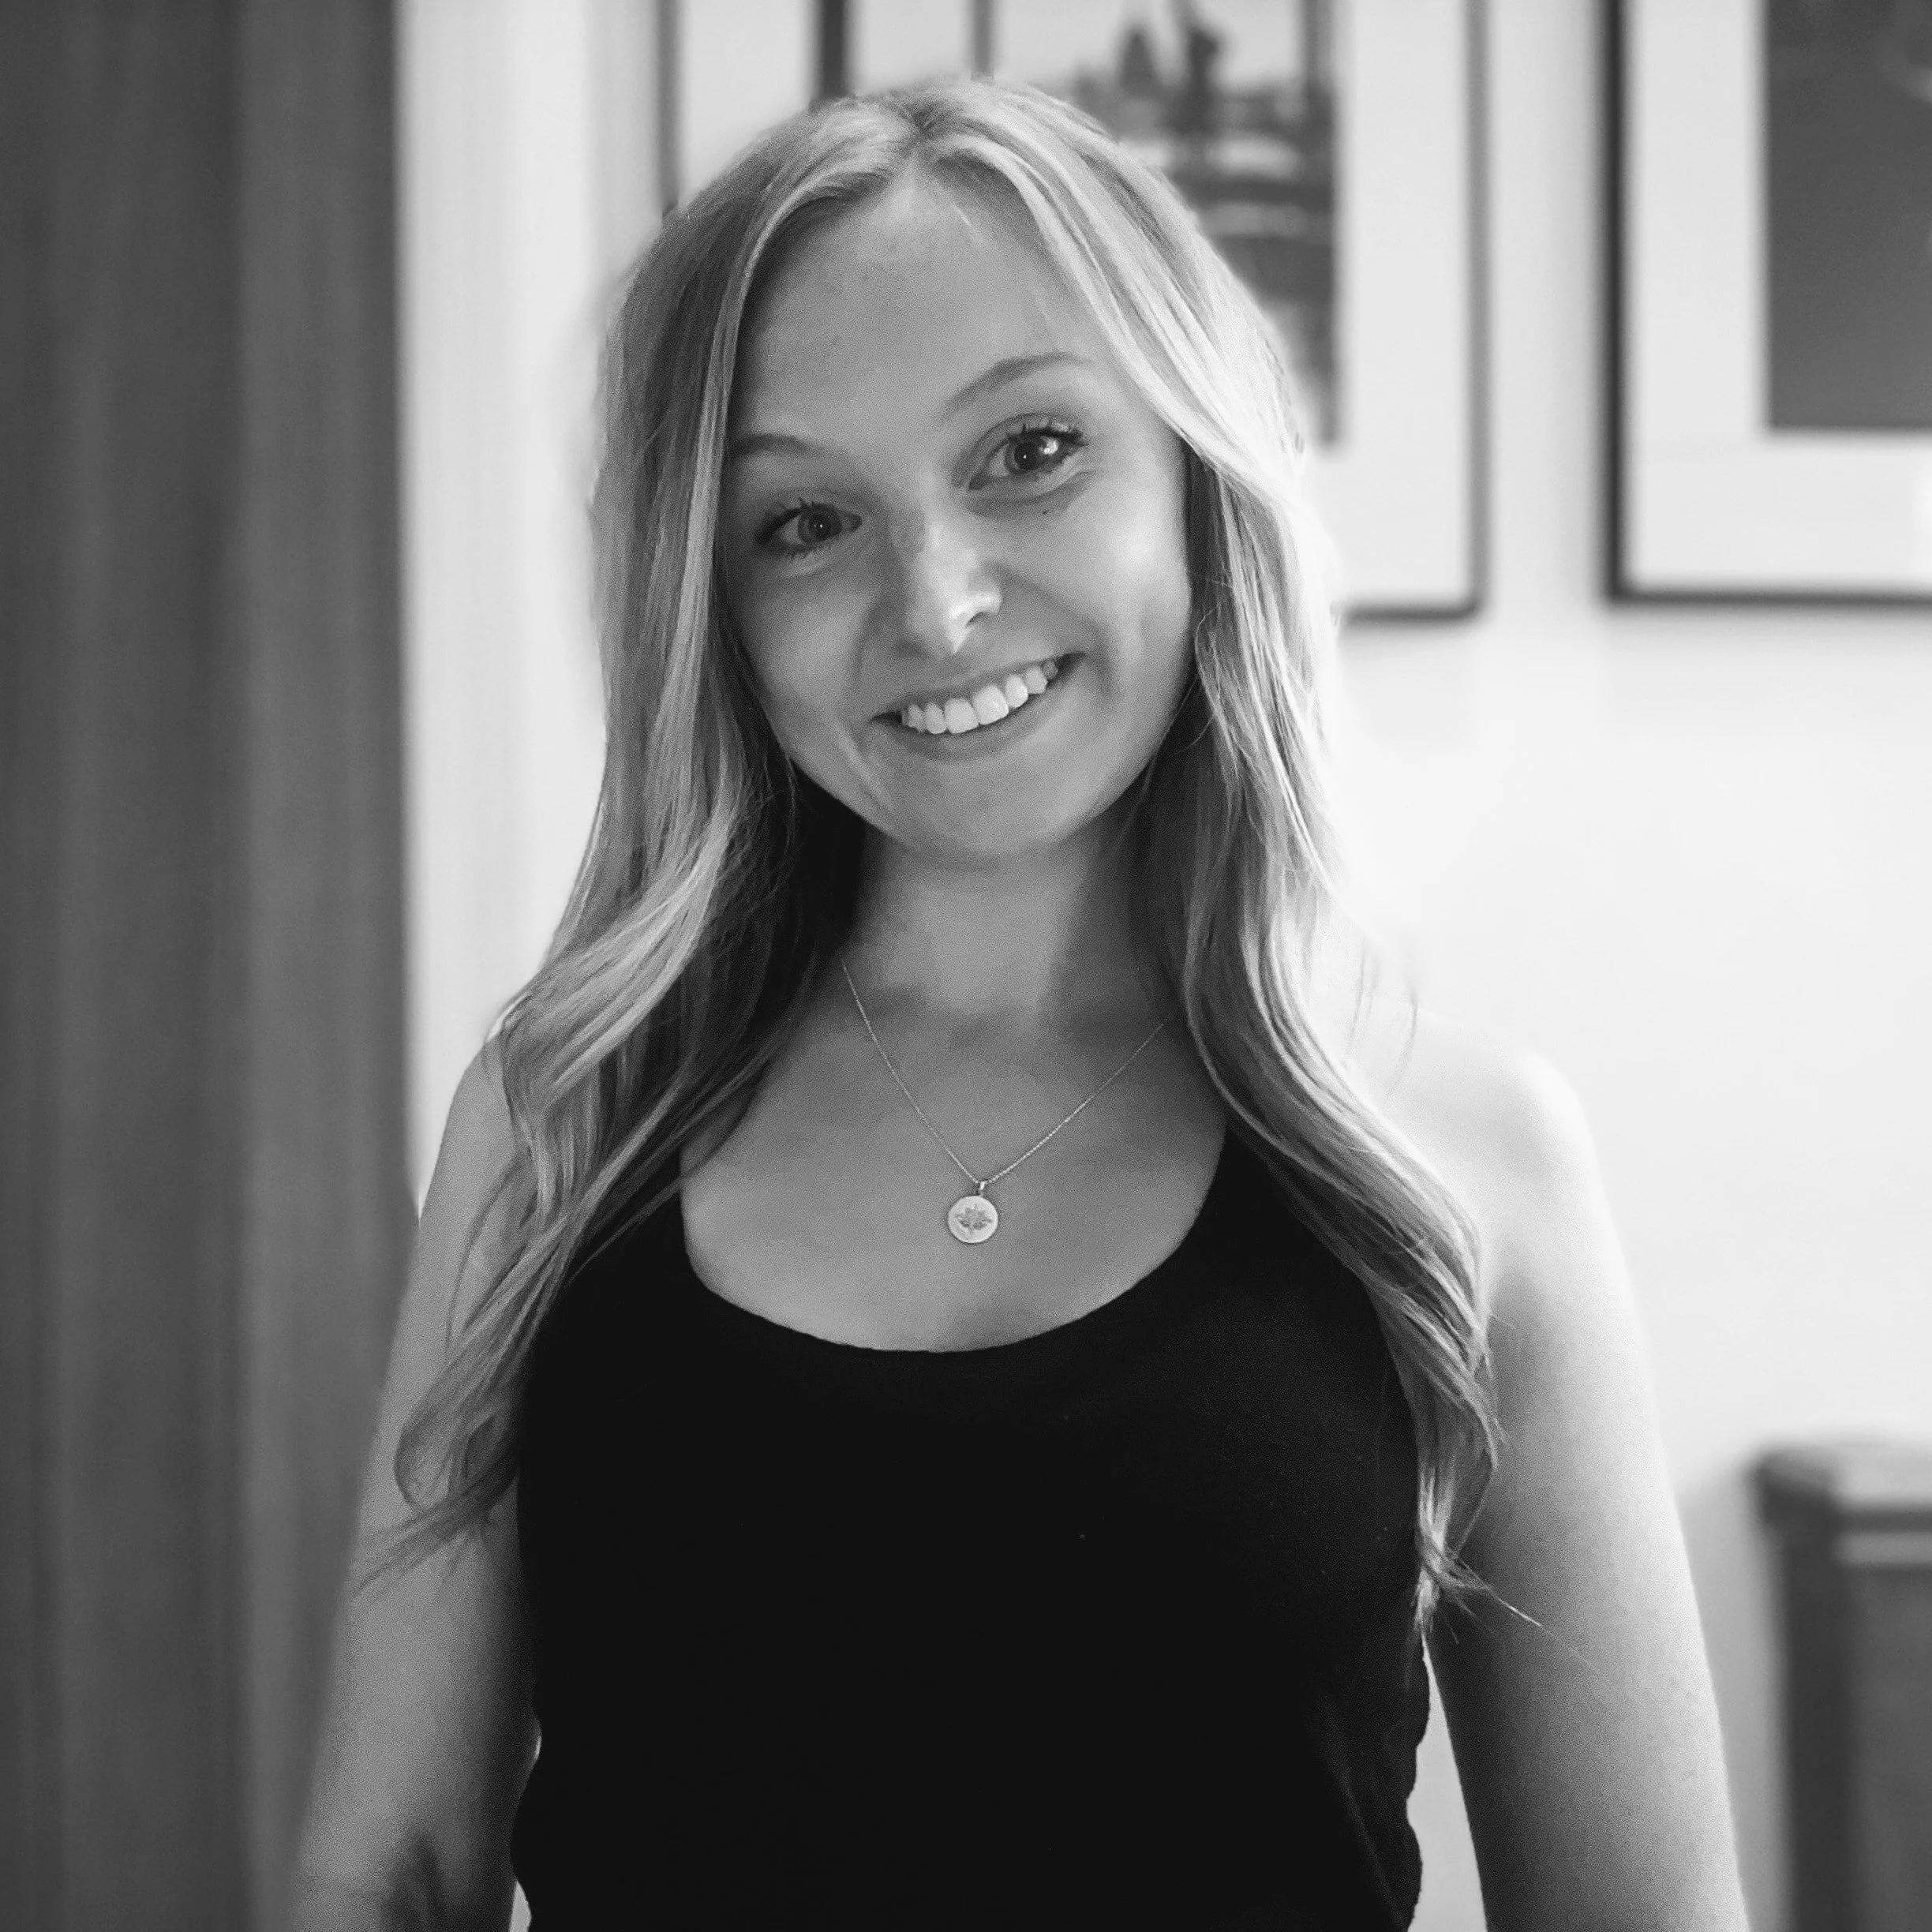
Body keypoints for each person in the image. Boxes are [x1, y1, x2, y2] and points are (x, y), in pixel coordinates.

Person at [292, 78, 1750, 1931]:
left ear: (1197, 480)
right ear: (710, 607)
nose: (937, 600)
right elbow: (395, 1870)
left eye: (1030, 451)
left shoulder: (1466, 1167)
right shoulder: (565, 1121)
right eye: (805, 522)